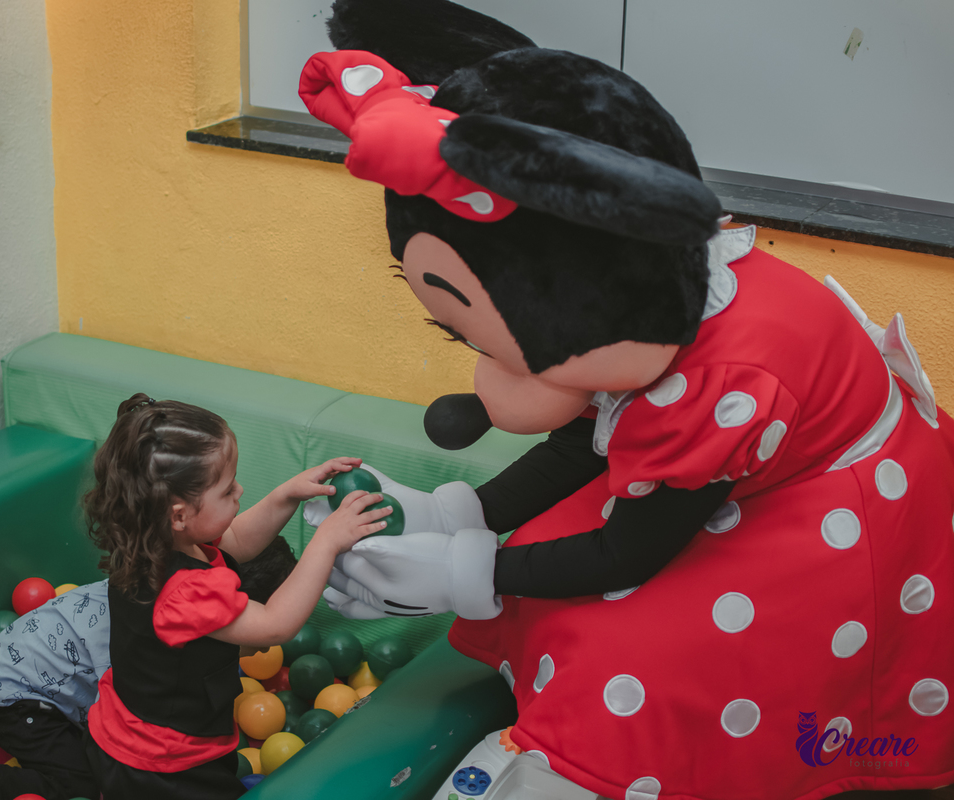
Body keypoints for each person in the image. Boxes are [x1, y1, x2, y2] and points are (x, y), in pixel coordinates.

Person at [301, 1, 954, 798]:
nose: (486, 380)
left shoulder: (712, 380)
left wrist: (463, 570)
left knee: (642, 652)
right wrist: (461, 514)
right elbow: (586, 444)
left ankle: (616, 768)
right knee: (553, 568)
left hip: (829, 515)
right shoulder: (637, 305)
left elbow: (630, 552)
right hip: (727, 477)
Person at [81, 393, 390, 800]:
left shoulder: (152, 538)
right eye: (228, 491)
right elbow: (276, 625)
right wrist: (326, 542)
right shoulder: (183, 591)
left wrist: (287, 495)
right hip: (166, 763)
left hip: (136, 729)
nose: (239, 490)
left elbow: (239, 539)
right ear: (179, 515)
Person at [0, 539, 298, 800]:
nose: (266, 646)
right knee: (82, 786)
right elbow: (125, 722)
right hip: (16, 695)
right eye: (256, 628)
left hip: (34, 668)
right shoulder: (143, 641)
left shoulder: (177, 583)